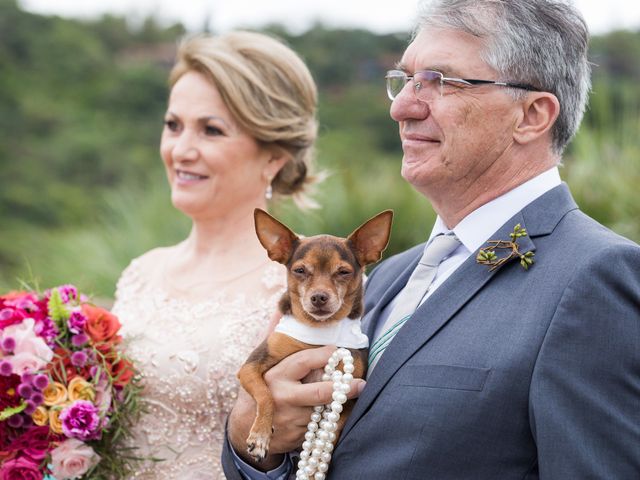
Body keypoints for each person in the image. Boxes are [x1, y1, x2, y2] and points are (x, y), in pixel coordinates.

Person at [222, 1, 640, 478]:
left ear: (531, 116)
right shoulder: (384, 276)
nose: (402, 107)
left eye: (440, 81)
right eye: (405, 81)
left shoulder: (596, 277)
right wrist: (253, 440)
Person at [111, 30, 319, 479]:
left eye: (211, 130)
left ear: (274, 157)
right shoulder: (140, 272)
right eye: (173, 125)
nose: (181, 150)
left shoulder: (304, 282)